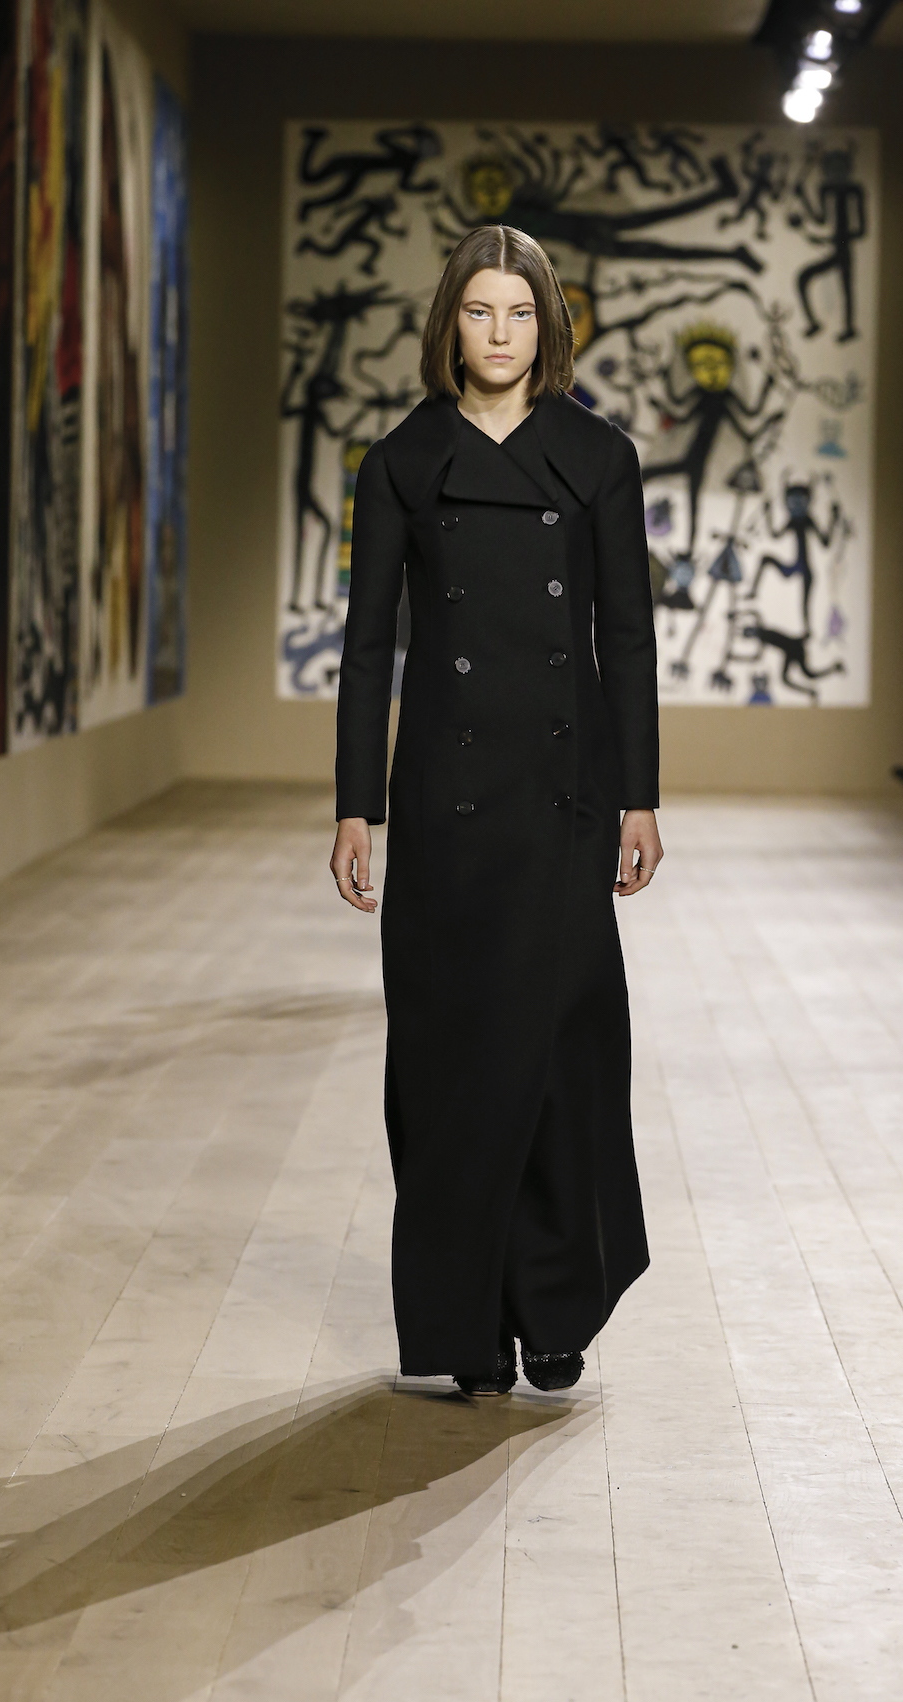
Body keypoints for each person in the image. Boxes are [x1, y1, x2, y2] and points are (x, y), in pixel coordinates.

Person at [329, 225, 662, 1397]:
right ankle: (464, 1330)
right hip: (445, 802)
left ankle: (555, 1308)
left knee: (564, 1054)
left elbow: (626, 638)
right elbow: (367, 648)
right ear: (449, 326)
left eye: (521, 313)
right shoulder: (402, 461)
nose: (501, 334)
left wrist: (639, 796)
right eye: (480, 311)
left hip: (566, 800)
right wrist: (355, 808)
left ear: (550, 327)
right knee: (453, 1056)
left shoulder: (599, 457)